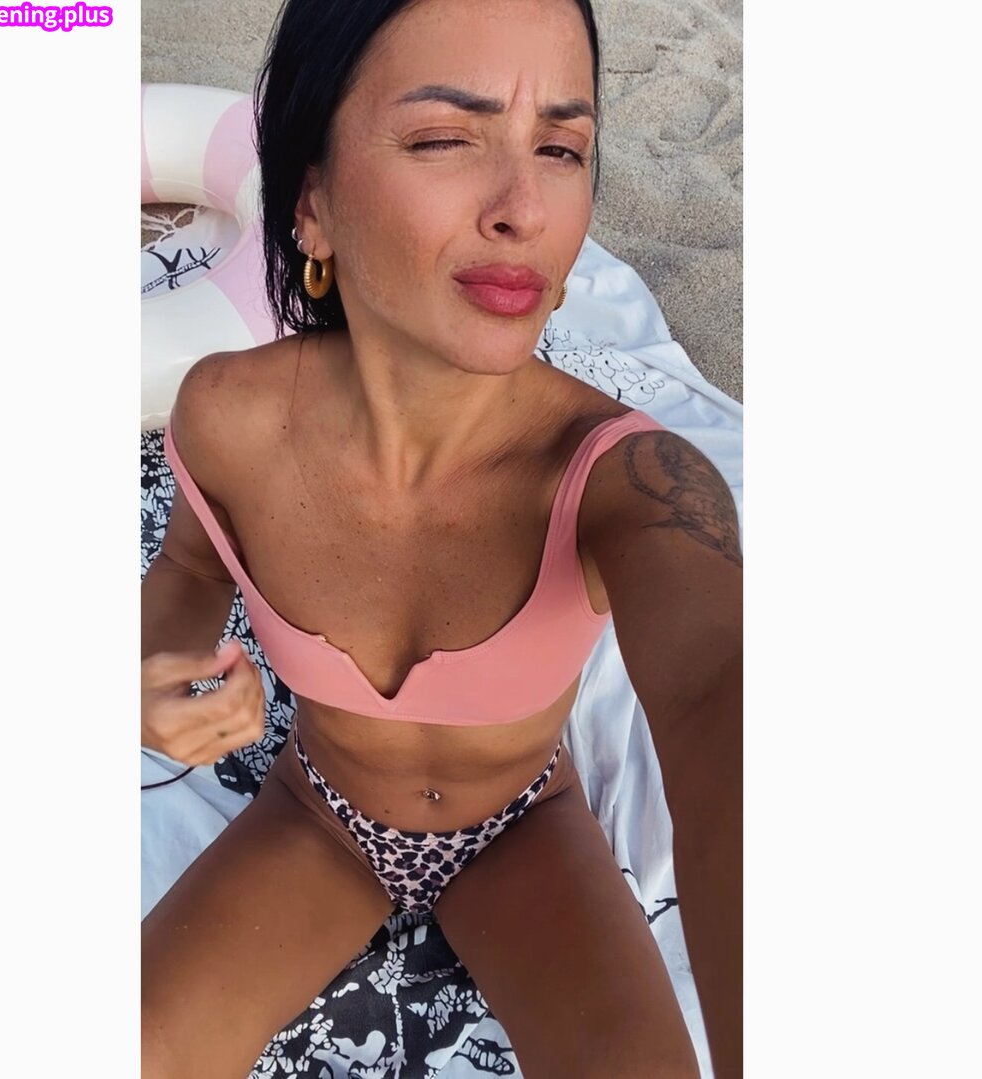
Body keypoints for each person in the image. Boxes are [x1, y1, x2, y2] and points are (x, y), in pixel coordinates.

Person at [141, 0, 741, 1076]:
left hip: (525, 830)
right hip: (318, 814)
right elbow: (189, 563)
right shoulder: (226, 416)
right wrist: (156, 666)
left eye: (561, 148)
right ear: (312, 204)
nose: (525, 210)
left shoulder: (632, 482)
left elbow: (720, 701)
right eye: (443, 139)